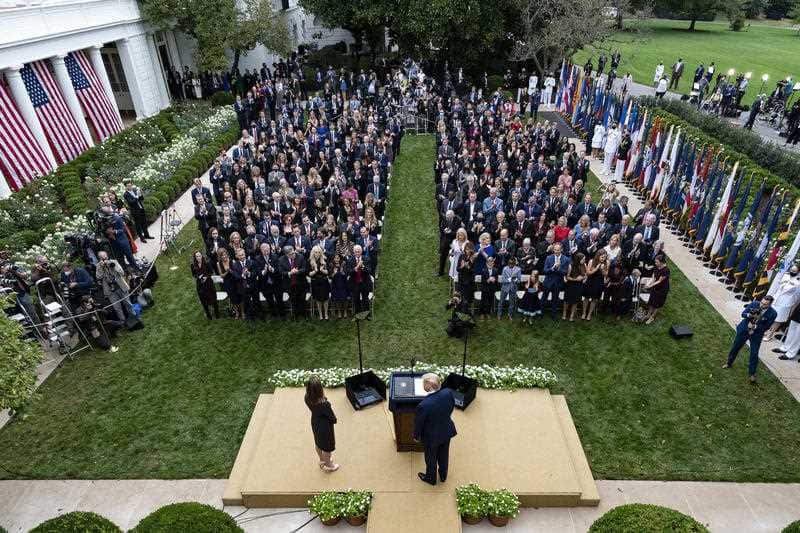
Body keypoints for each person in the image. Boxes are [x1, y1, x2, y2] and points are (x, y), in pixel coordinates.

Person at [413, 373, 457, 486]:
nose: (422, 385)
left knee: (431, 458)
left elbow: (419, 424)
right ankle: (443, 476)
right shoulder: (448, 393)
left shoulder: (424, 405)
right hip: (446, 431)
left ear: (429, 386)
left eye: (423, 383)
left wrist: (416, 436)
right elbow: (451, 407)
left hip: (431, 437)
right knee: (444, 455)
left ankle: (430, 478)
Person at [724, 296, 777, 384]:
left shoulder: (773, 313)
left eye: (765, 304)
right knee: (735, 347)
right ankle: (729, 363)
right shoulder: (754, 304)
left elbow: (767, 326)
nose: (762, 305)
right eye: (762, 303)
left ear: (770, 304)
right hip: (744, 330)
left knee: (754, 353)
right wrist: (750, 315)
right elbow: (743, 314)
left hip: (756, 335)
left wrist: (754, 327)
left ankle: (752, 373)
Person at [305, 375, 339, 472]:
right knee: (327, 447)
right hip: (325, 427)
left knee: (318, 443)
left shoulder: (307, 398)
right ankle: (329, 465)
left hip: (315, 422)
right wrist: (334, 419)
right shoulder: (324, 404)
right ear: (320, 389)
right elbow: (332, 417)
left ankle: (322, 459)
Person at [95, 250, 134, 323]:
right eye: (101, 257)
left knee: (127, 303)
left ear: (107, 256)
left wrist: (113, 266)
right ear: (99, 259)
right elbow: (98, 276)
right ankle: (123, 322)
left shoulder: (114, 262)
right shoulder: (98, 266)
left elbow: (122, 273)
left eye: (104, 256)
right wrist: (101, 267)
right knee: (117, 308)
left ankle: (134, 317)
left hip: (120, 286)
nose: (104, 258)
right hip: (110, 291)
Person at [542, 243, 570, 321]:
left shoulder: (566, 259)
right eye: (555, 250)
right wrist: (552, 268)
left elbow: (565, 272)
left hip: (558, 283)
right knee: (544, 298)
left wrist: (558, 269)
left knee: (555, 300)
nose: (556, 251)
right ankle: (541, 312)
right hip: (548, 282)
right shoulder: (548, 258)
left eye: (558, 250)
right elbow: (545, 270)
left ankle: (553, 315)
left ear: (561, 250)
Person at [191, 251, 219, 319]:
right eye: (197, 256)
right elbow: (194, 274)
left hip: (209, 283)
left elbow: (211, 272)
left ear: (202, 256)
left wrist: (206, 277)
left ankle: (217, 314)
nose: (198, 257)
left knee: (213, 299)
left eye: (199, 256)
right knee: (203, 300)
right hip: (200, 285)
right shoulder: (193, 265)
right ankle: (208, 315)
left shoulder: (207, 263)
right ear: (195, 257)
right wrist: (198, 277)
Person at [644, 254, 670, 324]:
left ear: (661, 262)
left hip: (662, 289)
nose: (655, 263)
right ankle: (648, 315)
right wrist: (649, 283)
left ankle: (652, 317)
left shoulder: (666, 270)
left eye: (657, 262)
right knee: (652, 301)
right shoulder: (656, 267)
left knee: (657, 304)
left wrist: (650, 286)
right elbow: (654, 277)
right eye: (655, 262)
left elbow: (659, 281)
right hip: (655, 287)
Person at [309, 245, 331, 320]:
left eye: (319, 252)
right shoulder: (310, 261)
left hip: (324, 281)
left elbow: (328, 272)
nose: (317, 254)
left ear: (321, 253)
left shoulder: (325, 260)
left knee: (325, 299)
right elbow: (309, 274)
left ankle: (326, 314)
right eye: (315, 252)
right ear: (313, 253)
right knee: (318, 300)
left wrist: (322, 270)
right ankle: (320, 315)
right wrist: (315, 271)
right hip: (315, 282)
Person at [564, 252, 586, 321]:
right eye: (583, 259)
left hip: (579, 285)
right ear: (578, 259)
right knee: (567, 300)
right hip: (570, 284)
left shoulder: (584, 265)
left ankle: (572, 315)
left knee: (575, 301)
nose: (584, 260)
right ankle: (564, 314)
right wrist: (576, 279)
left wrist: (582, 278)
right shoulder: (571, 266)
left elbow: (585, 275)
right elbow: (567, 277)